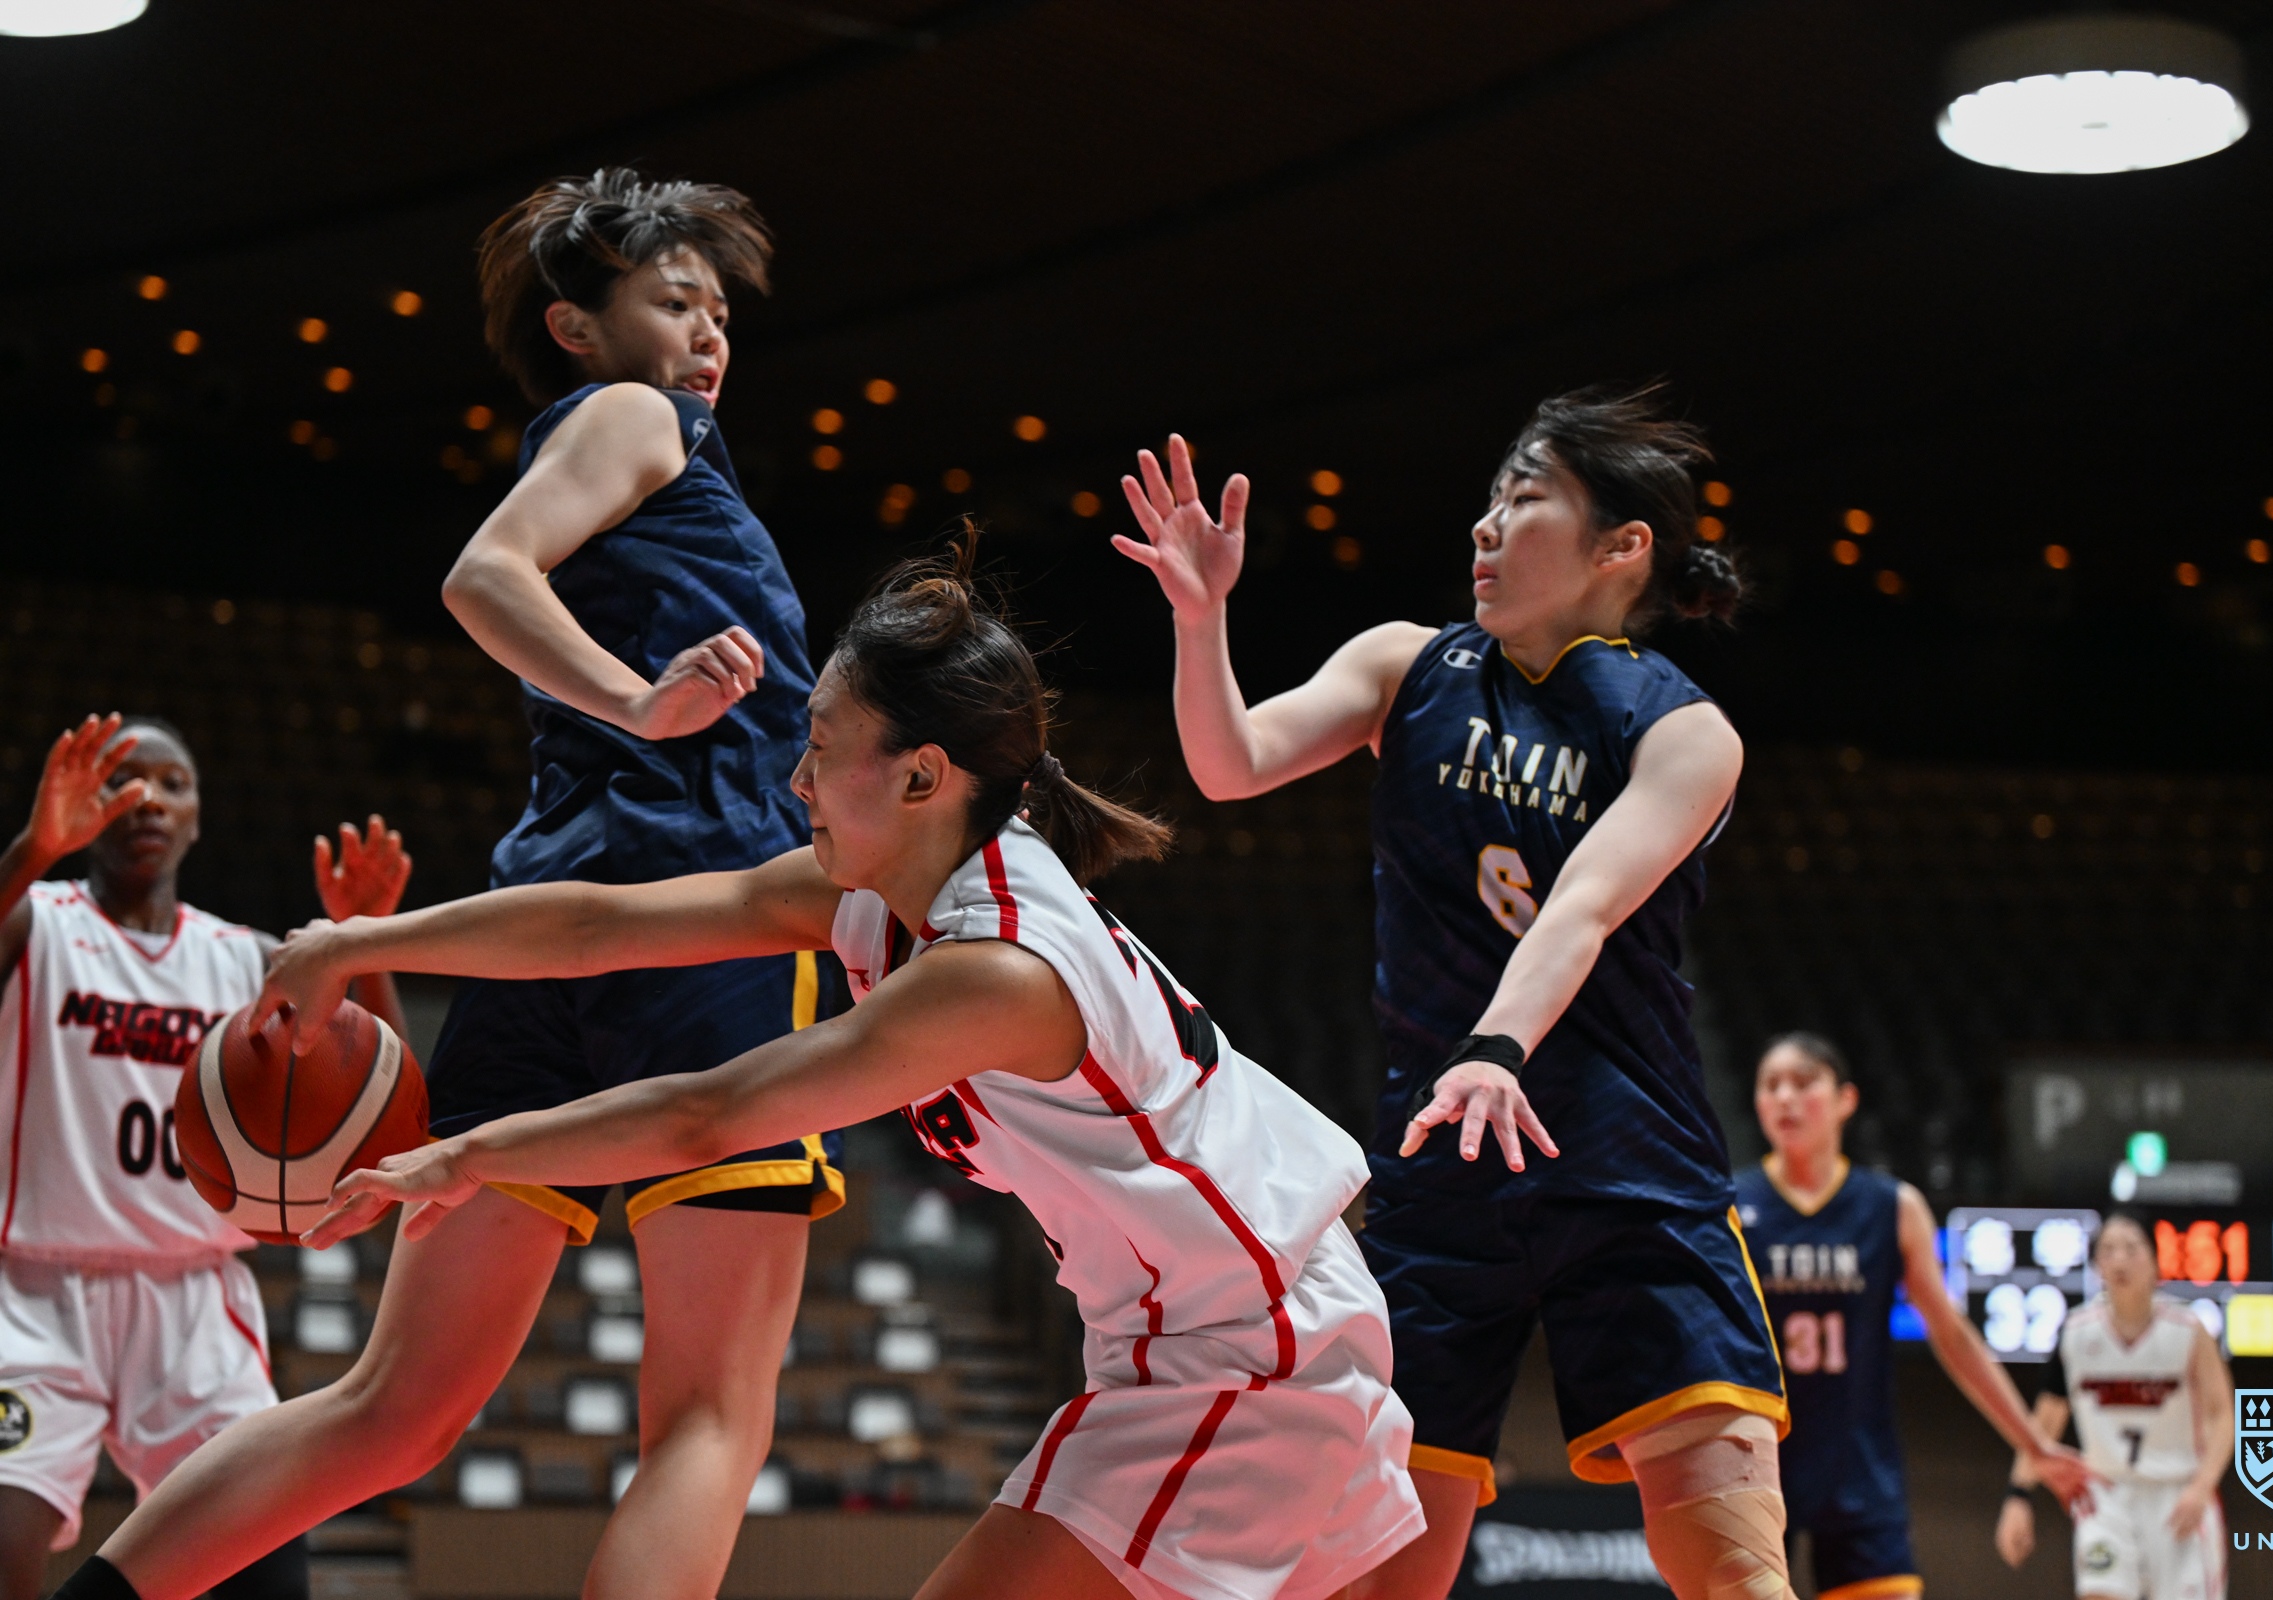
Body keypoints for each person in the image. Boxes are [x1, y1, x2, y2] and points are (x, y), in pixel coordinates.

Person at [57, 539, 1425, 1600]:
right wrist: (368, 941)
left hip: (1243, 1350)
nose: (795, 783)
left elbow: (715, 1113)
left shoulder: (995, 971)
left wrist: (467, 1152)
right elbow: (602, 926)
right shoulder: (896, 888)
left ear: (922, 777)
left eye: (819, 751)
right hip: (1232, 1323)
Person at [34, 169, 838, 1600]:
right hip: (702, 919)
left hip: (540, 938)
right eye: (675, 301)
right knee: (710, 1415)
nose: (710, 332)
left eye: (721, 311)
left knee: (391, 1408)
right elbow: (484, 577)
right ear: (575, 328)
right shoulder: (639, 419)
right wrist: (637, 702)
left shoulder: (623, 451)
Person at [1113, 388, 1795, 1600]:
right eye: (1490, 497)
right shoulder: (1407, 664)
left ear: (1621, 546)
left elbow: (1583, 905)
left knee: (1732, 1568)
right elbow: (1230, 764)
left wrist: (1495, 1047)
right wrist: (1200, 617)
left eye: (1524, 498)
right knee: (1380, 1577)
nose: (1485, 524)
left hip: (1629, 1170)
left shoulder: (1686, 731)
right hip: (1442, 1174)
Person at [0, 713, 409, 1600]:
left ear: (196, 817)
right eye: (122, 781)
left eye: (171, 785)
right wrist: (32, 852)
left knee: (263, 1559)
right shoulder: (36, 924)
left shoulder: (248, 959)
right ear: (87, 807)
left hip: (193, 1296)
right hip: (33, 1291)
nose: (146, 799)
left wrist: (367, 941)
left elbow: (387, 1099)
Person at [1737, 1033, 2091, 1600]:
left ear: (1846, 1099)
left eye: (1803, 1083)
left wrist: (2032, 1442)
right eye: (1770, 1085)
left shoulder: (1891, 1206)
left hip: (1858, 1469)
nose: (1785, 1098)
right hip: (1755, 1463)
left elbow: (1952, 1335)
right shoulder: (1733, 1204)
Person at [1997, 1211, 2232, 1600]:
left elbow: (2223, 1415)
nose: (2119, 1260)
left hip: (2177, 1493)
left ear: (2155, 1261)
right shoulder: (2075, 1333)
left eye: (2131, 1249)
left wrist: (2203, 1484)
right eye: (2107, 1250)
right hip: (2105, 1495)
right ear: (2096, 1266)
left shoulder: (2188, 1331)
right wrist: (2018, 1497)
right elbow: (2045, 1425)